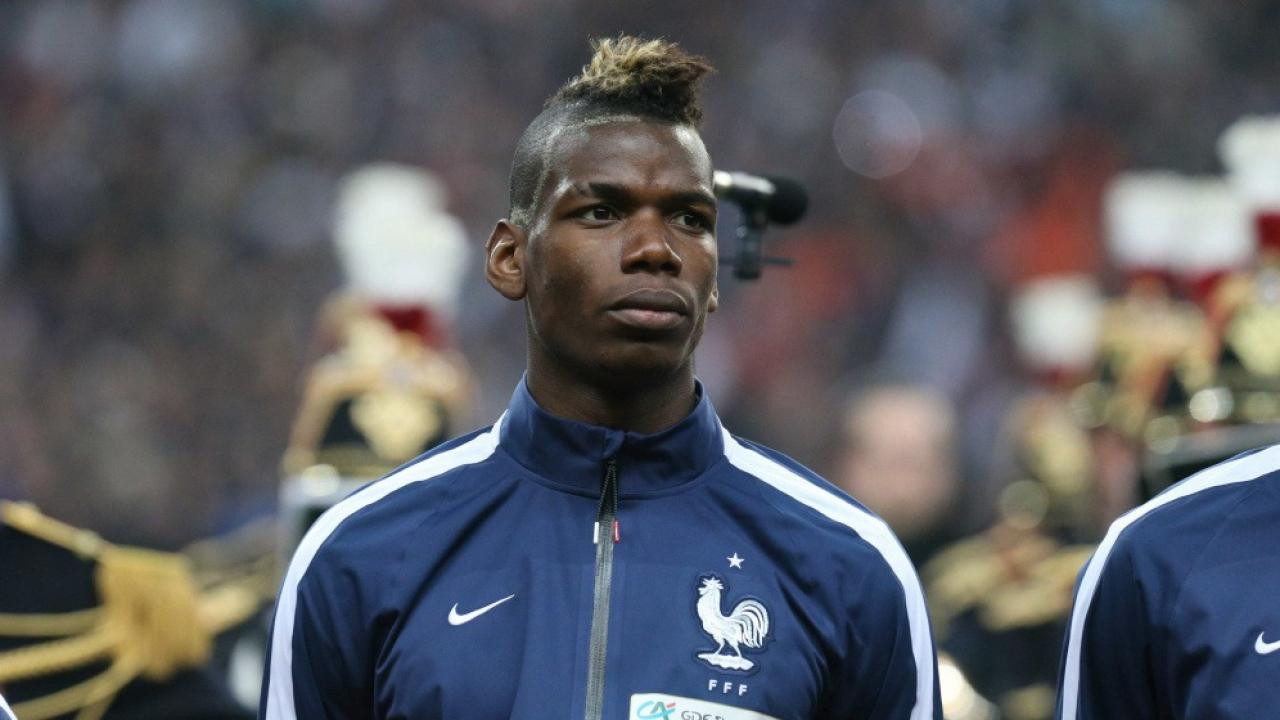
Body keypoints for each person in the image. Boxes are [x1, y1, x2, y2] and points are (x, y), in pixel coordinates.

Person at [260, 35, 940, 720]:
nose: (655, 249)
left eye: (690, 219)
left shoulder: (848, 565)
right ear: (509, 259)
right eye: (602, 212)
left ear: (713, 282)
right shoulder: (362, 556)